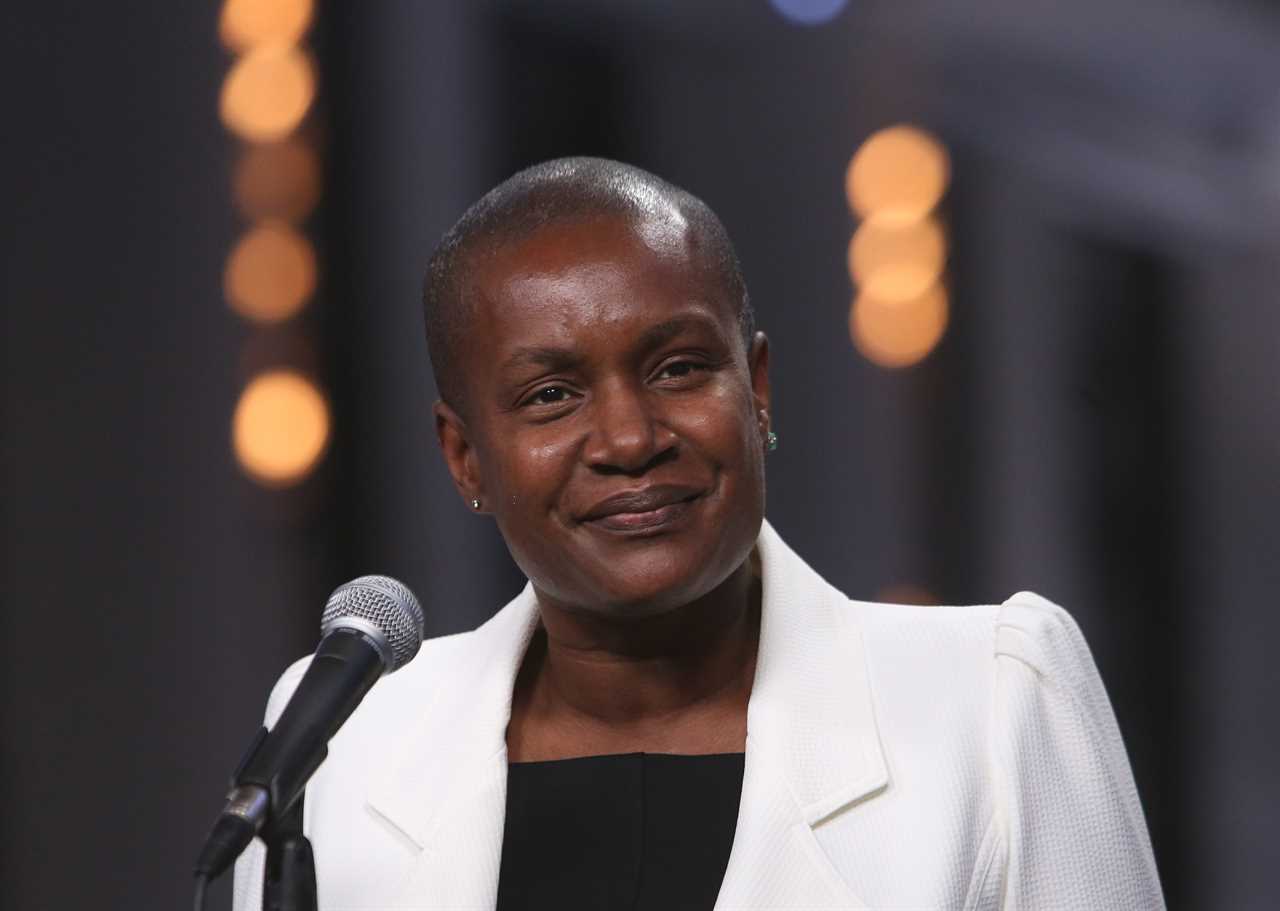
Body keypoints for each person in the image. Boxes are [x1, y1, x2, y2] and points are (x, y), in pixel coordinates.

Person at [233, 158, 1166, 910]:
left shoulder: (992, 696)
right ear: (466, 456)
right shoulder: (344, 739)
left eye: (678, 367)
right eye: (551, 395)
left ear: (755, 390)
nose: (632, 439)